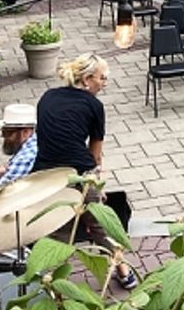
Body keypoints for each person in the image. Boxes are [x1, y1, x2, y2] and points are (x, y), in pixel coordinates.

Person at [34, 54, 137, 288]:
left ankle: (53, 281)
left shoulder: (47, 97)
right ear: (88, 79)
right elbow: (95, 154)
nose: (105, 83)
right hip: (78, 171)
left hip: (45, 173)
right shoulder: (94, 106)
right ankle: (123, 271)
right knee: (100, 223)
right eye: (103, 78)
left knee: (58, 230)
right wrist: (96, 185)